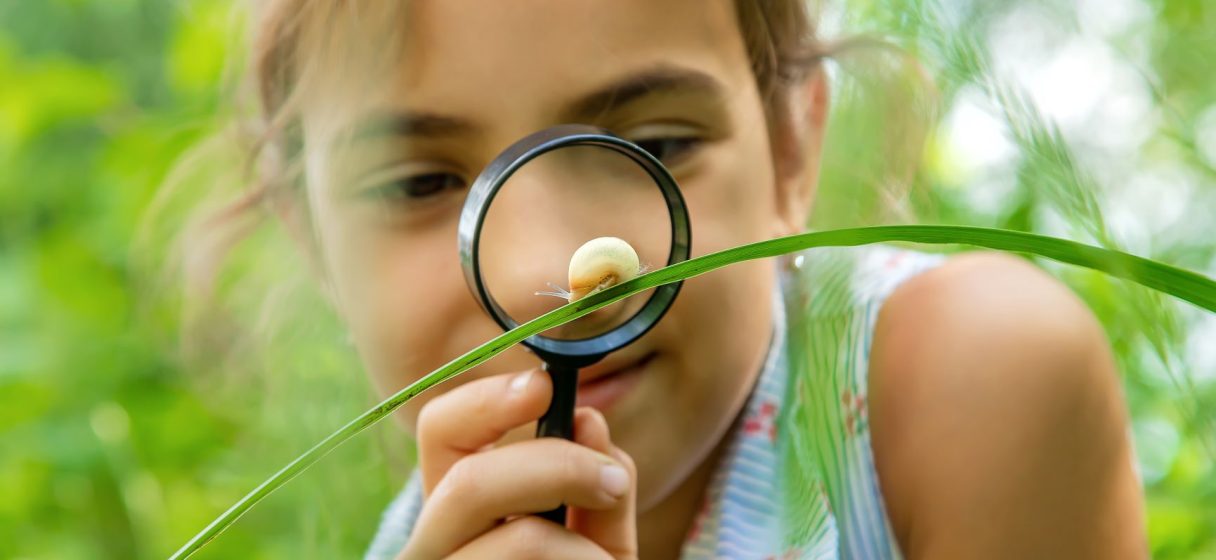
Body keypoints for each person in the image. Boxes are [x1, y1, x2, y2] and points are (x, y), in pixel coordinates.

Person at [203, 0, 1147, 557]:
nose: (548, 276)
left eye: (653, 144)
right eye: (419, 183)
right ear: (315, 245)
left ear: (792, 151)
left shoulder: (965, 374)